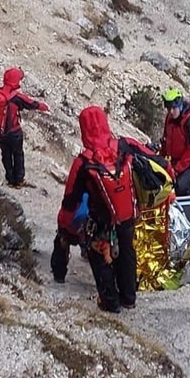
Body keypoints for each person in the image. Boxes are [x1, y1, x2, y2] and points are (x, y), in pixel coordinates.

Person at [57, 106, 139, 313]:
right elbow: (152, 159)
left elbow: (70, 199)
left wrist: (64, 225)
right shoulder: (125, 145)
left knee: (99, 255)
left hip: (100, 218)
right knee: (127, 251)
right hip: (127, 213)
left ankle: (110, 302)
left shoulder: (84, 162)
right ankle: (129, 298)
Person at [0, 67, 49, 188]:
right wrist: (44, 107)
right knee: (18, 154)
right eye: (19, 79)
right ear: (15, 81)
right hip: (13, 131)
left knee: (6, 153)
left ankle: (9, 178)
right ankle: (18, 180)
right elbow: (31, 104)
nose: (20, 82)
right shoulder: (16, 97)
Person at [159, 89, 190, 197]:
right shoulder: (170, 118)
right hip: (176, 157)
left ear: (180, 105)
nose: (171, 111)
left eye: (173, 108)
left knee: (180, 186)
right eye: (168, 108)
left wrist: (177, 169)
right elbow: (166, 137)